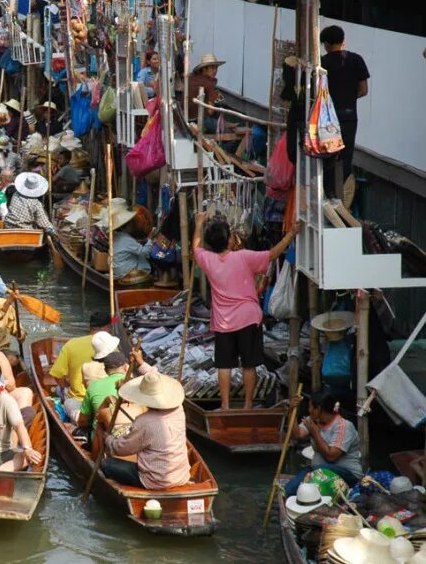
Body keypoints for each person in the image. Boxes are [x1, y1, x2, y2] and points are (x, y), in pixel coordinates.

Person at [193, 211, 301, 409]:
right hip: (248, 317)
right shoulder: (244, 257)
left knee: (224, 365)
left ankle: (225, 407)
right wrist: (291, 233)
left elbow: (195, 245)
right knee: (248, 364)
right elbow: (273, 254)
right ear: (229, 240)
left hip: (224, 322)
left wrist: (199, 222)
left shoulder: (206, 259)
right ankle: (248, 405)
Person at [101, 371, 191, 489]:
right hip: (181, 475)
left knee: (106, 464)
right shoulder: (179, 410)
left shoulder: (145, 421)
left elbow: (120, 449)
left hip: (153, 480)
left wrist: (108, 439)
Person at [320, 25, 370, 202]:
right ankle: (341, 198)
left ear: (326, 44)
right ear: (343, 41)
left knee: (327, 156)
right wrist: (348, 98)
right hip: (349, 116)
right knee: (345, 157)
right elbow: (363, 90)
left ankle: (328, 195)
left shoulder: (322, 63)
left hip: (327, 118)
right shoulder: (356, 60)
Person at [285, 389, 363, 496]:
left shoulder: (343, 426)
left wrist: (316, 433)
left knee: (320, 470)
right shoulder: (312, 420)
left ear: (319, 409)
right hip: (317, 470)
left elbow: (331, 457)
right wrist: (291, 411)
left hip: (347, 475)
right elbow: (296, 434)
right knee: (289, 490)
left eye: (310, 407)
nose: (308, 410)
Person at [48, 312, 111, 415]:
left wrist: (65, 387)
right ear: (108, 328)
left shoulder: (72, 344)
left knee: (60, 389)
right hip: (105, 399)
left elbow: (56, 375)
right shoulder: (112, 346)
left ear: (90, 327)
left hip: (79, 400)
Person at [187, 53, 226, 123]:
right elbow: (210, 111)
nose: (215, 71)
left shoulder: (191, 77)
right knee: (218, 108)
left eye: (216, 68)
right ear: (204, 69)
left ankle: (225, 123)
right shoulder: (208, 83)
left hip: (186, 115)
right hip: (198, 119)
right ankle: (225, 125)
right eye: (212, 68)